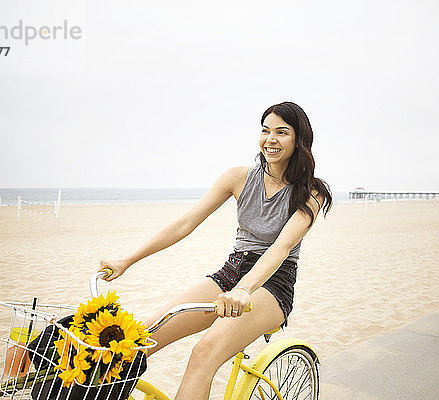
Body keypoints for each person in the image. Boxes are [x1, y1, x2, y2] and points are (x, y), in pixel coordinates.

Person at [99, 101, 332, 400]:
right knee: (140, 339)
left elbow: (281, 248)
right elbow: (185, 224)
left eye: (282, 132)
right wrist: (127, 260)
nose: (270, 139)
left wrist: (245, 289)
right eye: (265, 131)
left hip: (273, 283)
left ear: (299, 140)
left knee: (203, 353)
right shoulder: (238, 177)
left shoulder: (311, 192)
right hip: (232, 271)